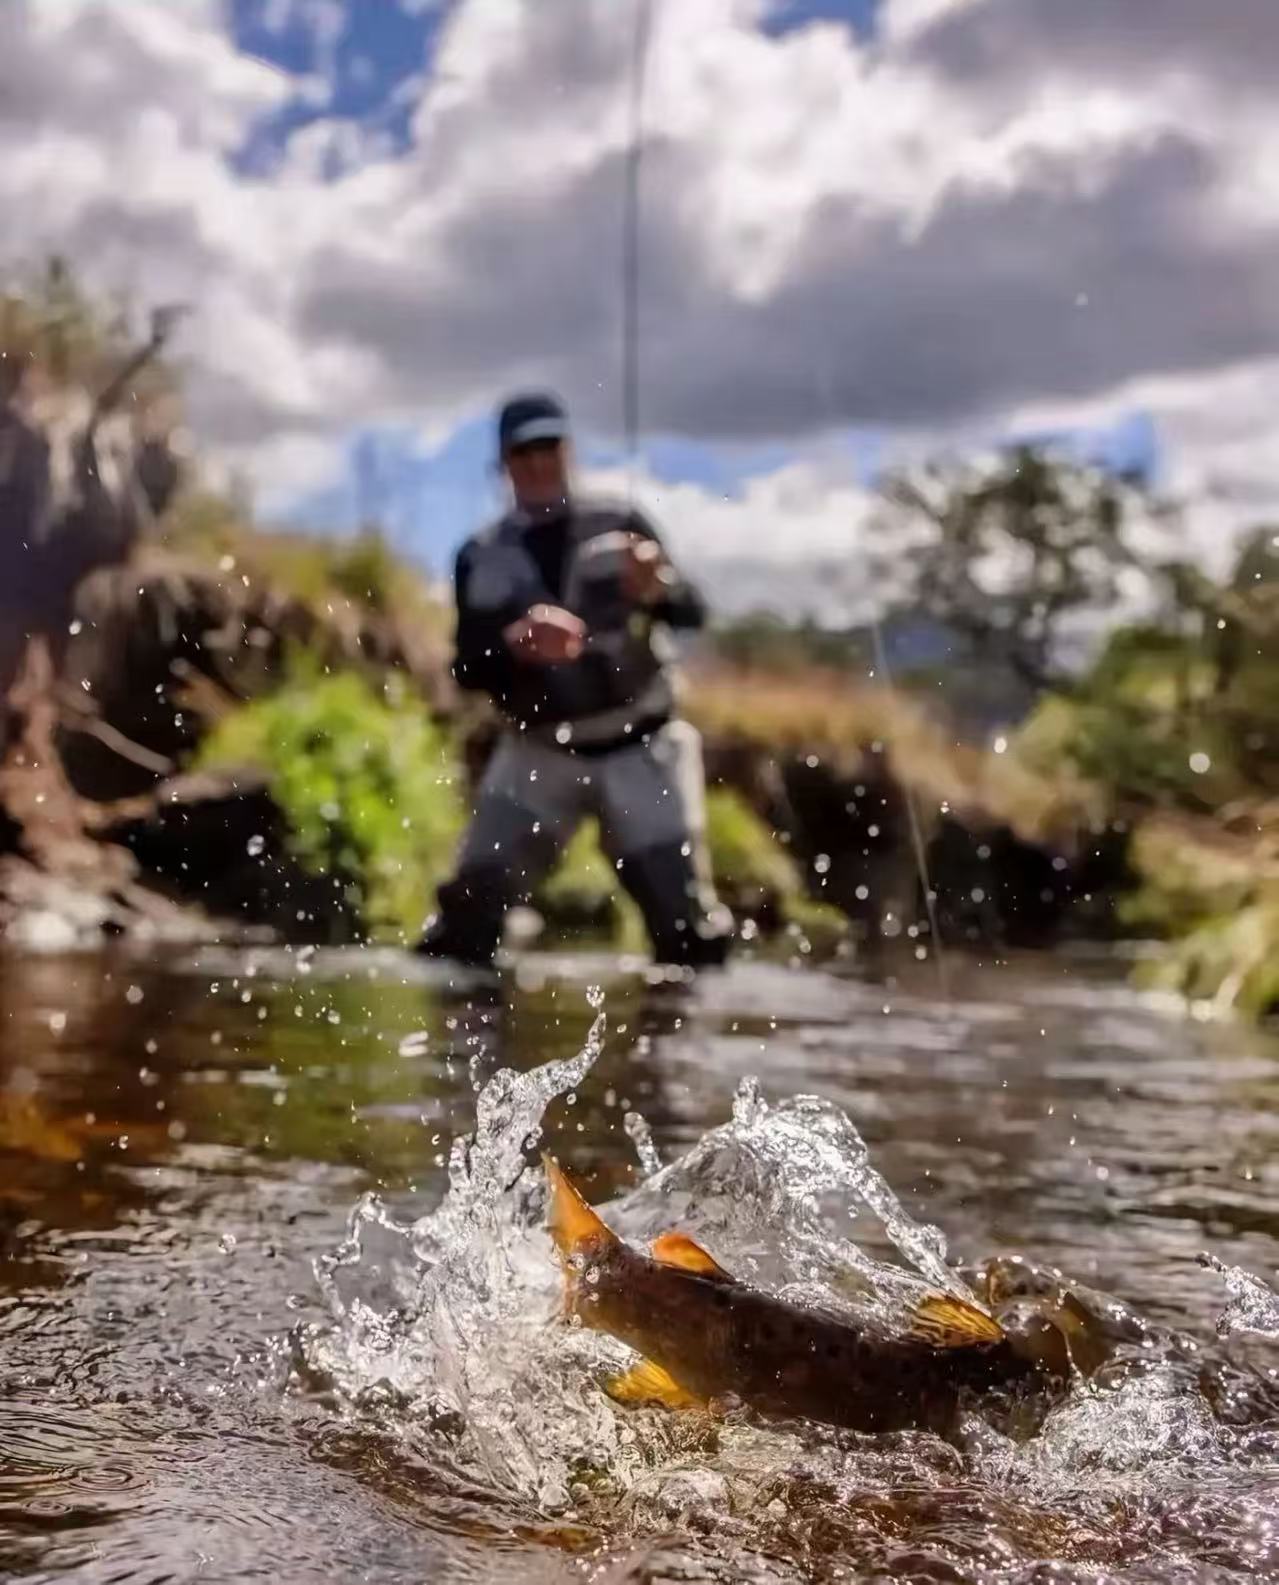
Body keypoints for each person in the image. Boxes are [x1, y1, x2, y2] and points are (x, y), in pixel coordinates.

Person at [417, 392, 733, 969]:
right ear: (503, 464)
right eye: (523, 452)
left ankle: (684, 1051)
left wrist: (658, 589)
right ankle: (465, 1053)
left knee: (686, 934)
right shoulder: (478, 556)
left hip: (642, 749)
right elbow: (467, 667)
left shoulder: (626, 524)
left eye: (548, 448)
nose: (538, 463)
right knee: (464, 926)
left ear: (569, 451)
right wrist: (514, 645)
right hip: (536, 754)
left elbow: (693, 616)